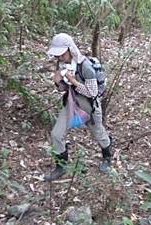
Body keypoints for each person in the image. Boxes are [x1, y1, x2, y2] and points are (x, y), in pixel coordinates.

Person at [44, 33, 112, 181]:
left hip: (89, 105)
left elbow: (93, 93)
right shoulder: (61, 65)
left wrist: (73, 81)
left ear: (70, 49)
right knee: (56, 134)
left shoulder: (85, 66)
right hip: (71, 103)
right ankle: (61, 166)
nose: (59, 57)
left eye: (61, 54)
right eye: (57, 55)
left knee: (98, 133)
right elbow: (62, 89)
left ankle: (107, 157)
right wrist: (57, 82)